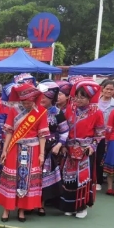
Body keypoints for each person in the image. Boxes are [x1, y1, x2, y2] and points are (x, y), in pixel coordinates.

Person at [0, 82, 48, 222]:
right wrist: (5, 150)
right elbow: (9, 132)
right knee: (11, 177)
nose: (26, 104)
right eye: (24, 102)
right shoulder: (14, 110)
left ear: (34, 99)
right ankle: (6, 209)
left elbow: (42, 135)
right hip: (15, 147)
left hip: (33, 149)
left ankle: (22, 209)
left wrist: (42, 154)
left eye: (29, 102)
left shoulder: (41, 112)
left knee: (28, 179)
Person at [61, 81, 105, 218]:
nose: (78, 100)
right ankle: (69, 206)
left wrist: (92, 147)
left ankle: (81, 207)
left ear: (89, 98)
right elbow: (63, 129)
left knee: (83, 179)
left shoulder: (97, 112)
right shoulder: (69, 109)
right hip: (69, 149)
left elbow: (99, 134)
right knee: (69, 178)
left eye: (82, 97)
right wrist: (63, 145)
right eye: (77, 96)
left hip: (85, 151)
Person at [36, 81, 68, 213]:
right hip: (33, 146)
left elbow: (65, 131)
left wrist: (59, 144)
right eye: (40, 96)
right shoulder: (33, 110)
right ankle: (28, 203)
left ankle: (41, 204)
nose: (42, 99)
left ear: (52, 98)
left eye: (46, 97)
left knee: (44, 176)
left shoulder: (57, 113)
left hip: (49, 148)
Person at [95, 79, 114, 187]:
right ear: (102, 89)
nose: (109, 91)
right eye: (107, 89)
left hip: (107, 135)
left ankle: (98, 181)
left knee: (101, 157)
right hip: (94, 133)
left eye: (111, 89)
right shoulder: (96, 101)